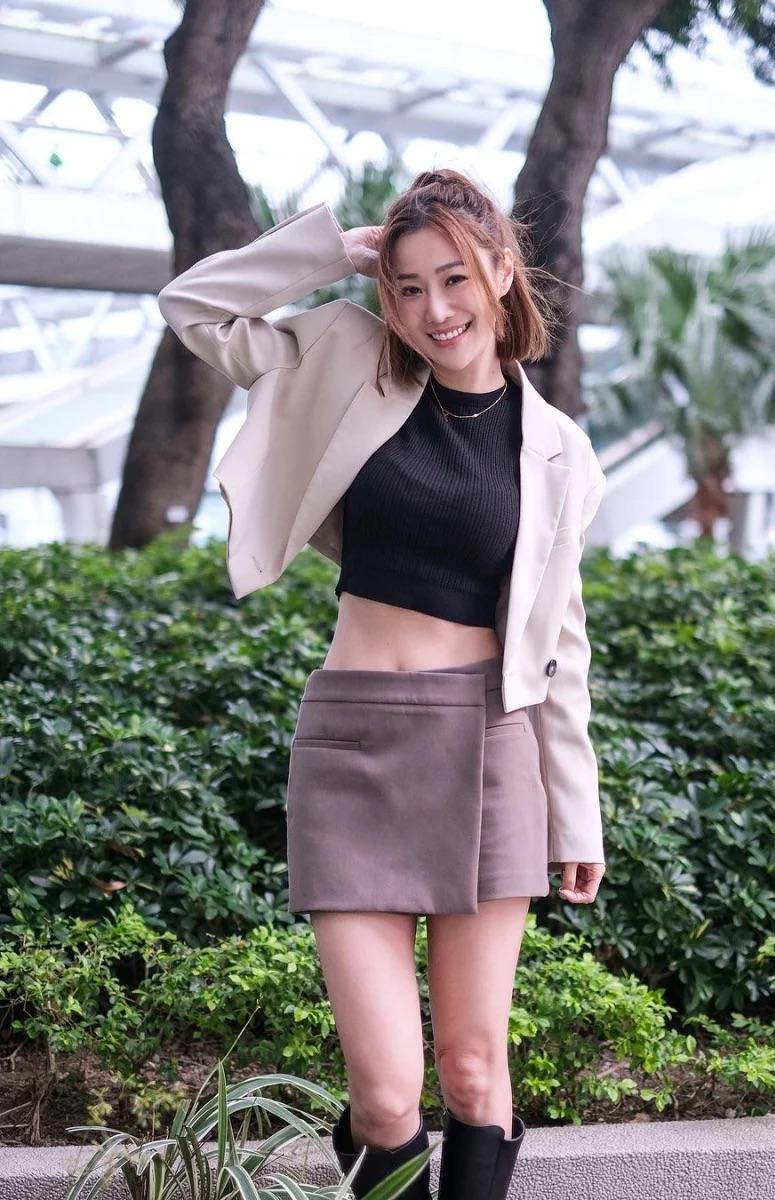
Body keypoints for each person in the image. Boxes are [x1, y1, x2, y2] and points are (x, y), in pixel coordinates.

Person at [157, 168, 607, 1200]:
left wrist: (576, 813)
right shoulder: (343, 359)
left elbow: (561, 643)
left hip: (490, 748)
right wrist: (328, 251)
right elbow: (195, 307)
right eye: (407, 287)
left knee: (474, 1071)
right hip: (354, 743)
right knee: (388, 1093)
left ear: (501, 272)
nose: (433, 309)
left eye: (454, 279)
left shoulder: (558, 452)